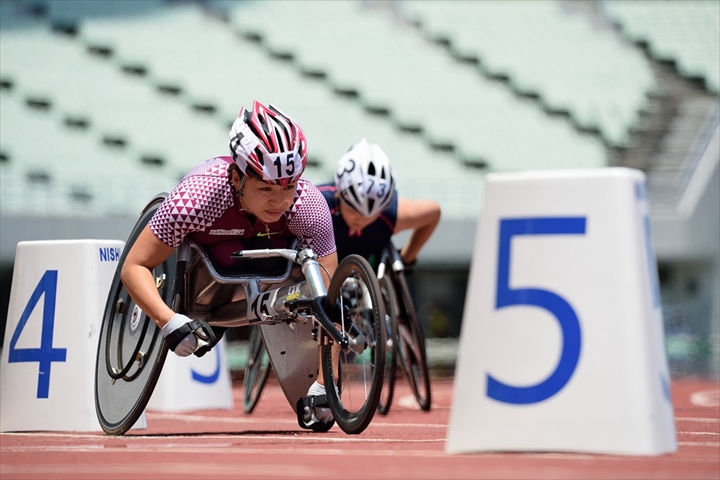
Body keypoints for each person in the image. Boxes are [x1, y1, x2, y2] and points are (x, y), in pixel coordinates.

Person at [120, 100, 337, 427]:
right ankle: (213, 321)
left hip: (267, 261)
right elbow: (133, 266)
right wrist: (165, 319)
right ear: (236, 177)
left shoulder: (308, 206)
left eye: (289, 186)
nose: (279, 201)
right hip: (204, 266)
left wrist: (325, 384)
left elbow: (329, 304)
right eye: (265, 188)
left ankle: (222, 323)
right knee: (225, 254)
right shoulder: (197, 197)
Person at [317, 138, 441, 271]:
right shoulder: (316, 205)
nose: (361, 219)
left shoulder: (390, 214)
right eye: (353, 210)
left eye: (372, 214)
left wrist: (407, 258)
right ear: (339, 194)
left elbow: (434, 213)